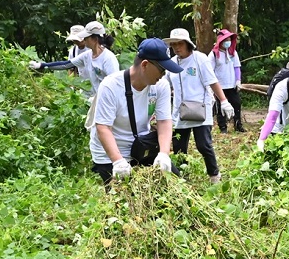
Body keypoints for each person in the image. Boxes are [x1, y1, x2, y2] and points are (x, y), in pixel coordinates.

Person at [89, 38, 180, 185]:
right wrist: (118, 161)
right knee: (125, 200)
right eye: (162, 69)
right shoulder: (111, 86)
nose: (164, 74)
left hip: (140, 147)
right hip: (109, 153)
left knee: (175, 186)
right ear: (145, 65)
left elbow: (164, 121)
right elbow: (103, 127)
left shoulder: (161, 86)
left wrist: (163, 154)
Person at [165, 28, 234, 183]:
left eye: (180, 43)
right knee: (179, 148)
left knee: (203, 145)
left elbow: (212, 81)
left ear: (187, 44)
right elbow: (165, 85)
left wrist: (224, 101)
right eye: (174, 44)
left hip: (200, 109)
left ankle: (214, 175)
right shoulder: (171, 63)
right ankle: (182, 178)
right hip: (179, 111)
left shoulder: (199, 59)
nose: (177, 47)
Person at [29, 21, 118, 97]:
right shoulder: (87, 56)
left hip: (107, 100)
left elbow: (114, 84)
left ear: (95, 39)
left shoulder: (108, 58)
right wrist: (42, 65)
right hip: (93, 97)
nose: (84, 40)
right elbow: (66, 64)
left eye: (86, 37)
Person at [211, 28, 244, 132]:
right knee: (220, 107)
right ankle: (223, 128)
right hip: (219, 86)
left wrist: (238, 80)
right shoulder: (214, 54)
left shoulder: (233, 53)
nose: (227, 42)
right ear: (220, 41)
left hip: (232, 85)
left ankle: (238, 125)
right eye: (225, 40)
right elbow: (209, 70)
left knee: (237, 103)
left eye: (229, 39)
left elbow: (237, 67)